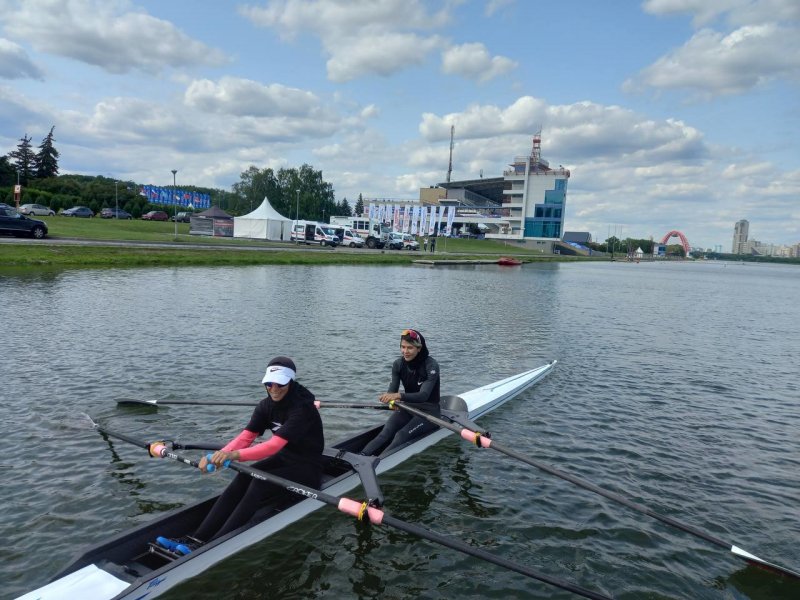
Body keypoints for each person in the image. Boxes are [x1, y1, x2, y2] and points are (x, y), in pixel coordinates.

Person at [155, 356, 324, 547]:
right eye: (269, 383)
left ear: (291, 382)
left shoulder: (302, 408)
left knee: (258, 484)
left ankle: (212, 545)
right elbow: (245, 438)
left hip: (308, 467)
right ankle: (196, 539)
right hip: (286, 459)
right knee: (244, 476)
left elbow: (272, 446)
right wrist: (215, 457)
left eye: (280, 384)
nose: (274, 388)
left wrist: (233, 455)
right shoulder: (265, 406)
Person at [361, 329, 440, 456]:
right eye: (402, 347)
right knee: (385, 433)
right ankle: (362, 457)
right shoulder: (398, 364)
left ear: (419, 348)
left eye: (410, 348)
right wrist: (390, 400)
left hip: (429, 412)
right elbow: (392, 390)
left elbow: (423, 395)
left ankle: (377, 463)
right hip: (408, 407)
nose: (405, 351)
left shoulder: (431, 366)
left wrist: (398, 395)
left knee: (400, 435)